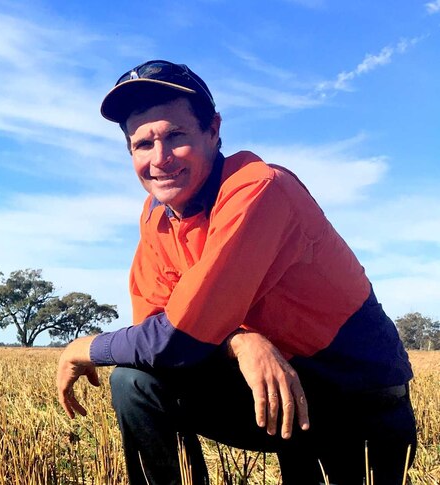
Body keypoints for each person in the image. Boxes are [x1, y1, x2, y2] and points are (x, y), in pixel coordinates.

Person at [55, 60, 416, 485]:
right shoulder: (157, 218)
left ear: (213, 131)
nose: (161, 158)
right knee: (136, 382)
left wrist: (82, 347)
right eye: (143, 144)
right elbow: (158, 336)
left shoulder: (258, 189)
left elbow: (176, 340)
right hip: (274, 394)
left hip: (353, 400)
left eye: (176, 136)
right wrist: (240, 341)